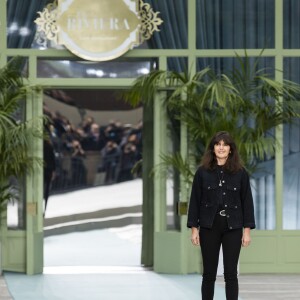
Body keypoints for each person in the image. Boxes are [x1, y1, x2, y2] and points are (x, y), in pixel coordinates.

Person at [187, 131, 256, 300]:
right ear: (213, 148)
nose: (221, 148)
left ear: (231, 149)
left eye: (225, 145)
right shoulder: (202, 172)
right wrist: (194, 229)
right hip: (209, 226)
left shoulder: (240, 173)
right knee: (209, 273)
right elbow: (195, 201)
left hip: (232, 226)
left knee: (231, 273)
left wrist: (247, 231)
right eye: (218, 144)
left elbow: (247, 202)